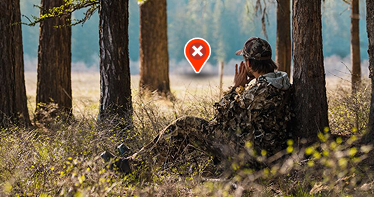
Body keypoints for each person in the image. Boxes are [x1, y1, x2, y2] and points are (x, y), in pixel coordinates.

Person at [102, 37, 295, 174]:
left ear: (250, 64)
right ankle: (139, 159)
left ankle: (134, 166)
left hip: (253, 158)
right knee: (189, 130)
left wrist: (237, 87)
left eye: (244, 60)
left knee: (185, 124)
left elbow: (223, 117)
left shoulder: (259, 91)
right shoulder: (279, 83)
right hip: (264, 152)